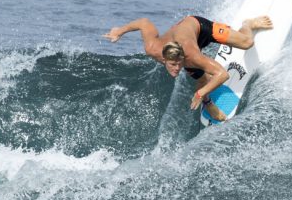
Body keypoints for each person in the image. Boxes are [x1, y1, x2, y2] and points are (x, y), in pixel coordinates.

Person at [103, 15, 273, 121]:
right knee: (201, 78)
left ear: (183, 58)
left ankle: (248, 24)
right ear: (164, 58)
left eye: (179, 64)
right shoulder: (153, 48)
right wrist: (120, 31)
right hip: (182, 39)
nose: (177, 69)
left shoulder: (192, 57)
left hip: (199, 26)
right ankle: (208, 102)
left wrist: (199, 93)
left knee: (247, 43)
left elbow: (222, 75)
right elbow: (143, 22)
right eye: (172, 64)